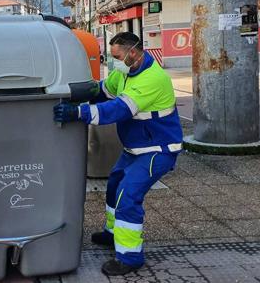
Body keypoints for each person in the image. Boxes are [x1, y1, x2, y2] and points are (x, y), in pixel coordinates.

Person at [53, 32, 183, 276]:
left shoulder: (152, 78)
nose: (114, 62)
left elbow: (118, 109)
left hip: (157, 150)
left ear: (133, 53)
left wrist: (79, 113)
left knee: (127, 196)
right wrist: (83, 93)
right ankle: (113, 233)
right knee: (114, 185)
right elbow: (104, 90)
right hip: (136, 148)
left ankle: (130, 257)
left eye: (117, 57)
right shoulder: (124, 72)